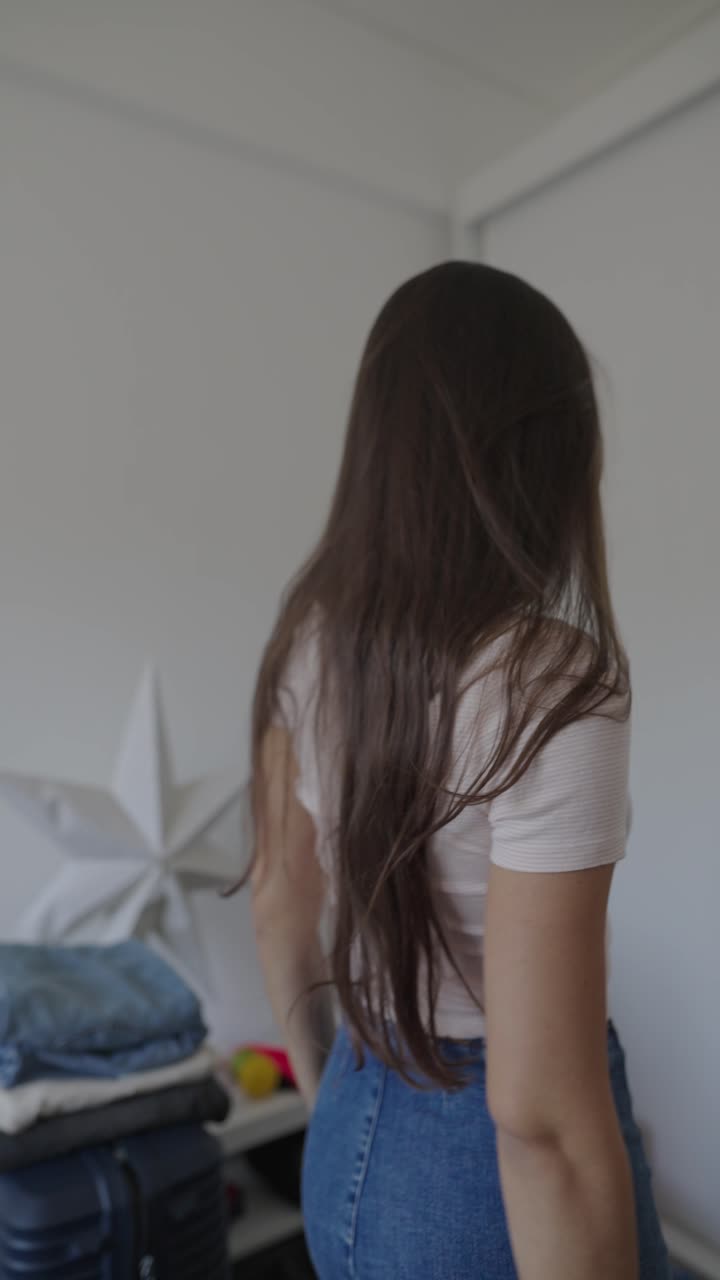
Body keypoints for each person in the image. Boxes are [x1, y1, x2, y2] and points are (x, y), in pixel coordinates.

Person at [245, 262, 673, 1279]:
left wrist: (337, 1096)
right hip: (477, 1183)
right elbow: (543, 1123)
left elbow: (276, 902)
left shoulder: (309, 638)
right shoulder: (553, 682)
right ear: (552, 458)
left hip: (356, 1103)